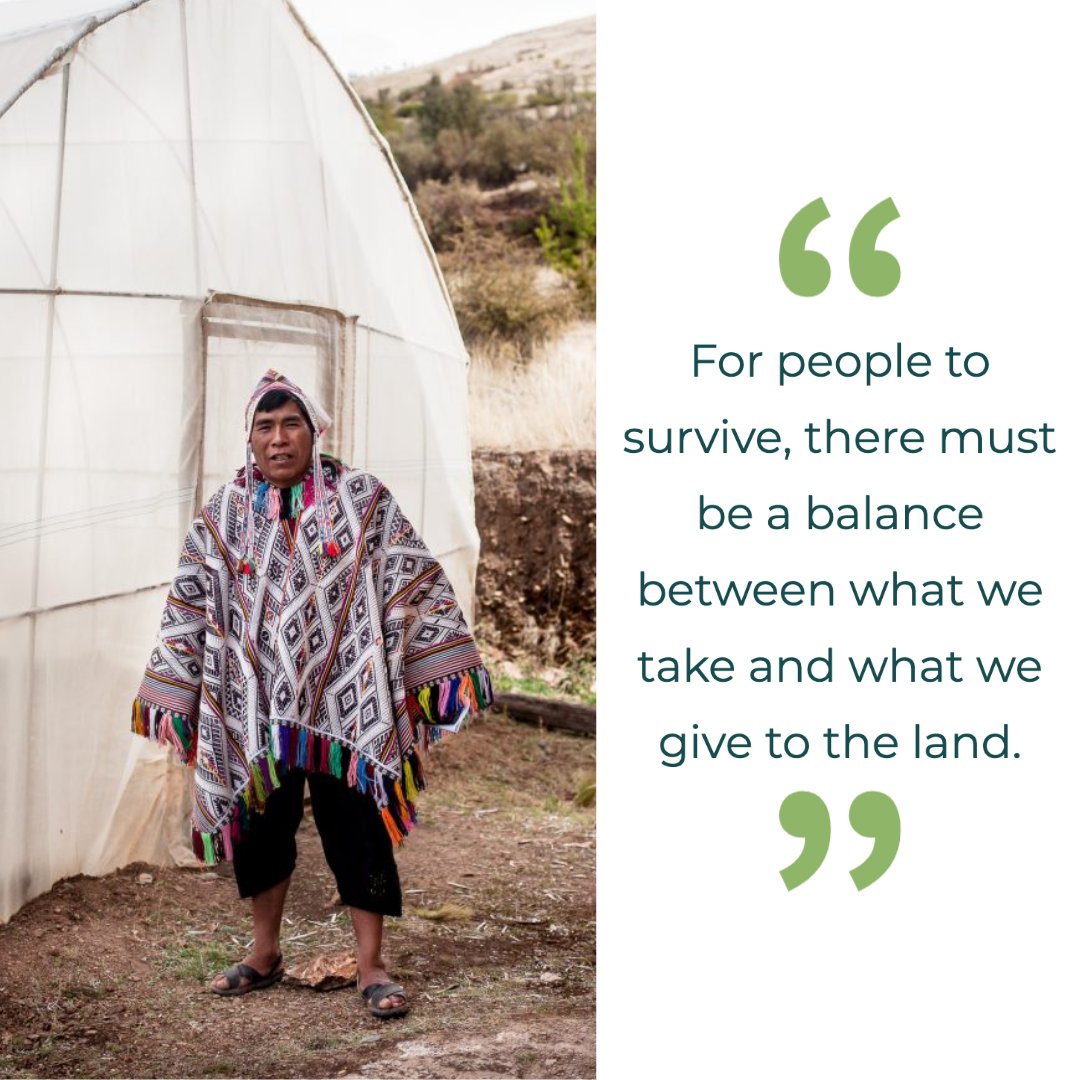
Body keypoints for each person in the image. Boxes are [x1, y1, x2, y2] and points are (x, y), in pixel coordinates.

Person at [132, 370, 491, 1018]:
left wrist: (439, 667)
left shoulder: (362, 500)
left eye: (290, 423)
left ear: (314, 430)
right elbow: (188, 606)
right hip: (256, 713)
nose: (278, 439)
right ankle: (263, 953)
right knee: (260, 828)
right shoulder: (224, 518)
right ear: (249, 437)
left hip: (347, 709)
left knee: (357, 829)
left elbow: (414, 579)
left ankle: (371, 965)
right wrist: (173, 687)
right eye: (264, 427)